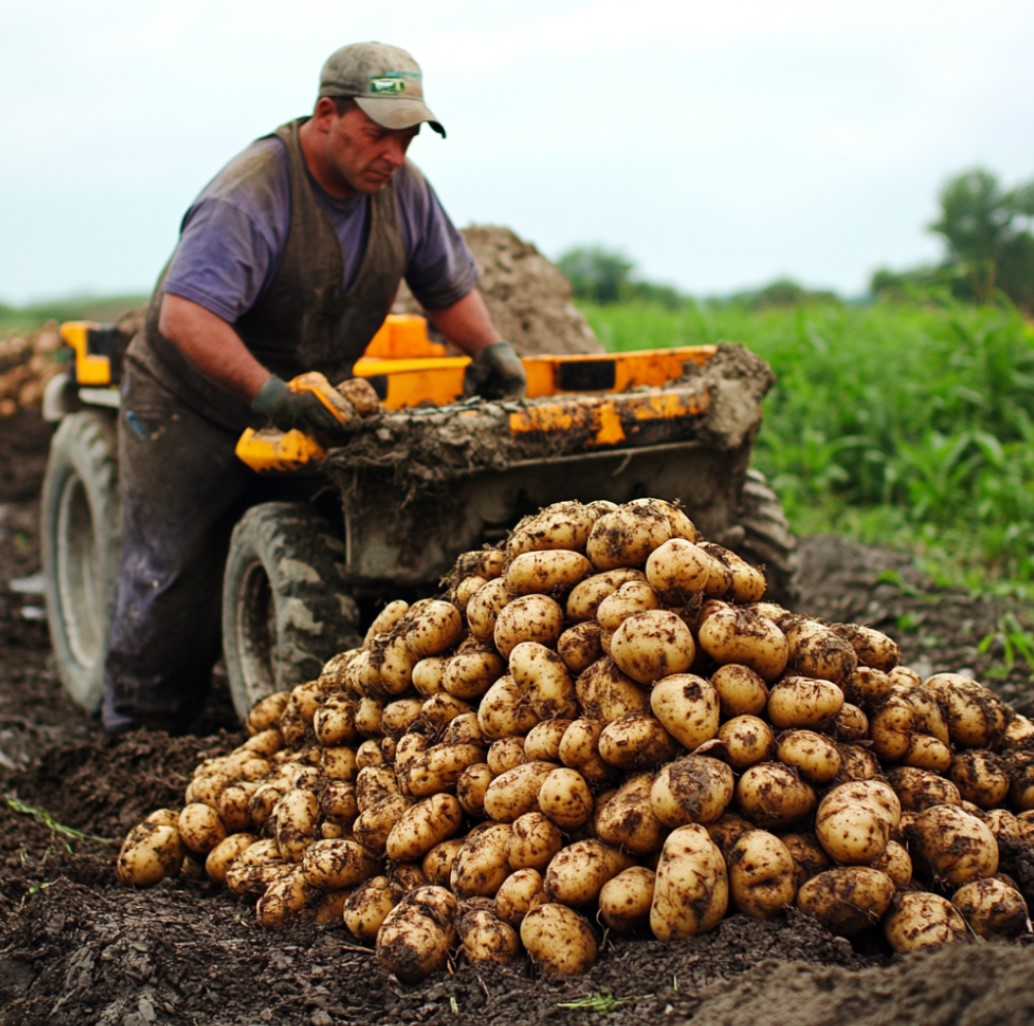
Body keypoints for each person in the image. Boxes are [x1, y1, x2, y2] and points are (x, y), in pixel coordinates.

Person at [101, 41, 526, 733]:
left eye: (409, 136)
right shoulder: (253, 190)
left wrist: (494, 350)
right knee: (173, 574)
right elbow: (186, 315)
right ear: (326, 113)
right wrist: (271, 397)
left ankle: (311, 722)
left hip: (306, 405)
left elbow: (446, 286)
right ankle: (140, 735)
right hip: (193, 405)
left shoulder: (402, 188)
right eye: (379, 133)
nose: (395, 152)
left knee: (332, 554)